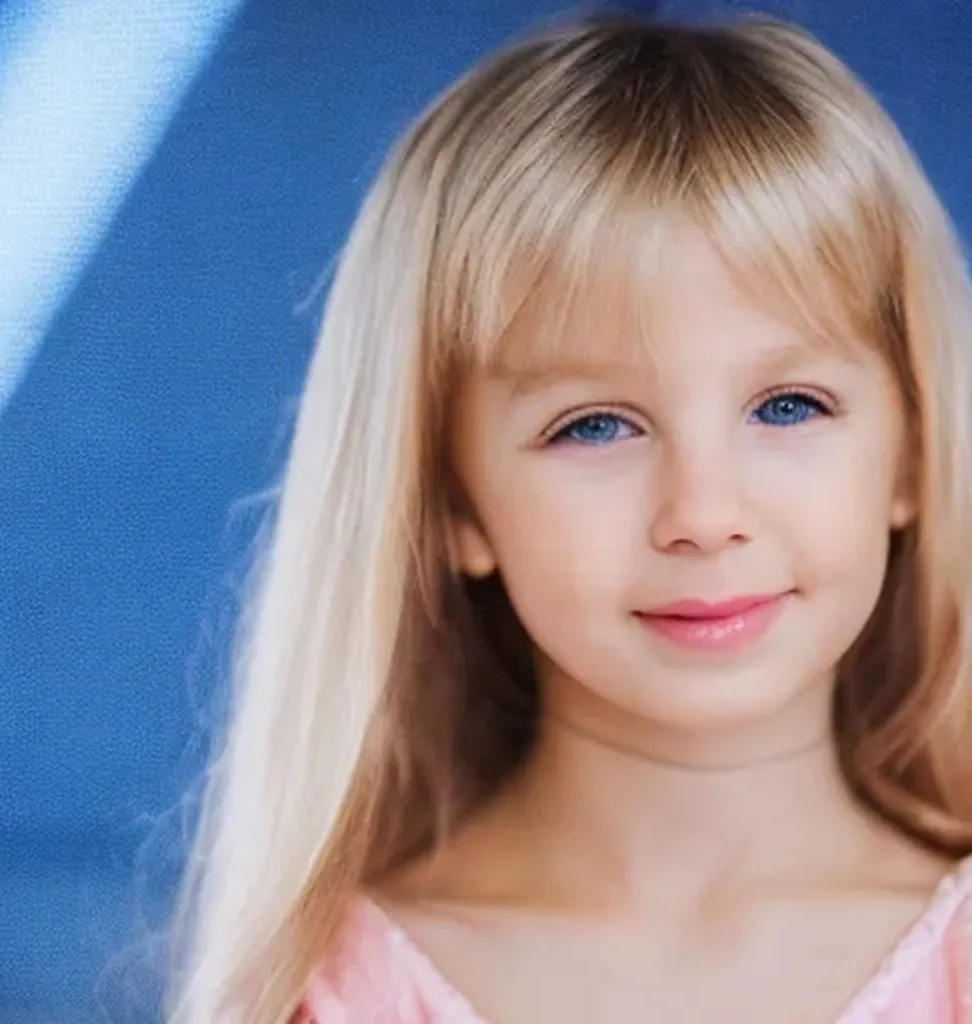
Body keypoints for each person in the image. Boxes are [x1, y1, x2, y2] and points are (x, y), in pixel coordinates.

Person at [166, 12, 972, 1023]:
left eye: (786, 406)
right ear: (452, 502)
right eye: (595, 425)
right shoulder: (332, 993)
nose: (703, 514)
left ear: (912, 450)